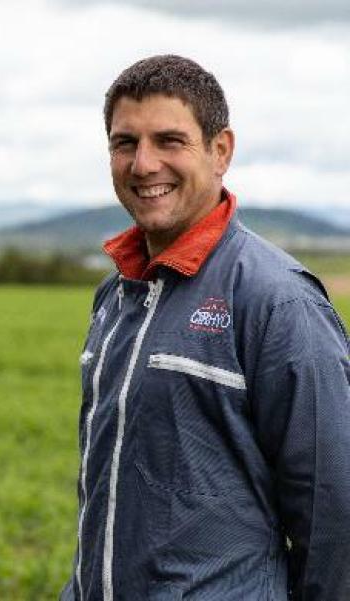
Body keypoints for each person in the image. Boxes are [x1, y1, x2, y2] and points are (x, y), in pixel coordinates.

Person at [62, 55, 350, 600]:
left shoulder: (278, 300)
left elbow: (335, 510)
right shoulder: (116, 294)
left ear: (221, 151)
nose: (144, 164)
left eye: (170, 141)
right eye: (126, 143)